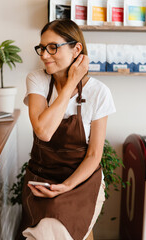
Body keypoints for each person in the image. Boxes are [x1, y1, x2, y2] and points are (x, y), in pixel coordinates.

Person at [17, 19, 116, 240]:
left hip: (81, 181)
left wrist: (66, 186)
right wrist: (71, 83)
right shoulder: (37, 80)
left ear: (76, 49)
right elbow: (43, 131)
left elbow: (93, 155)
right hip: (42, 178)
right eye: (41, 48)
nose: (44, 55)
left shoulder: (99, 92)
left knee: (54, 230)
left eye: (53, 47)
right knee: (49, 228)